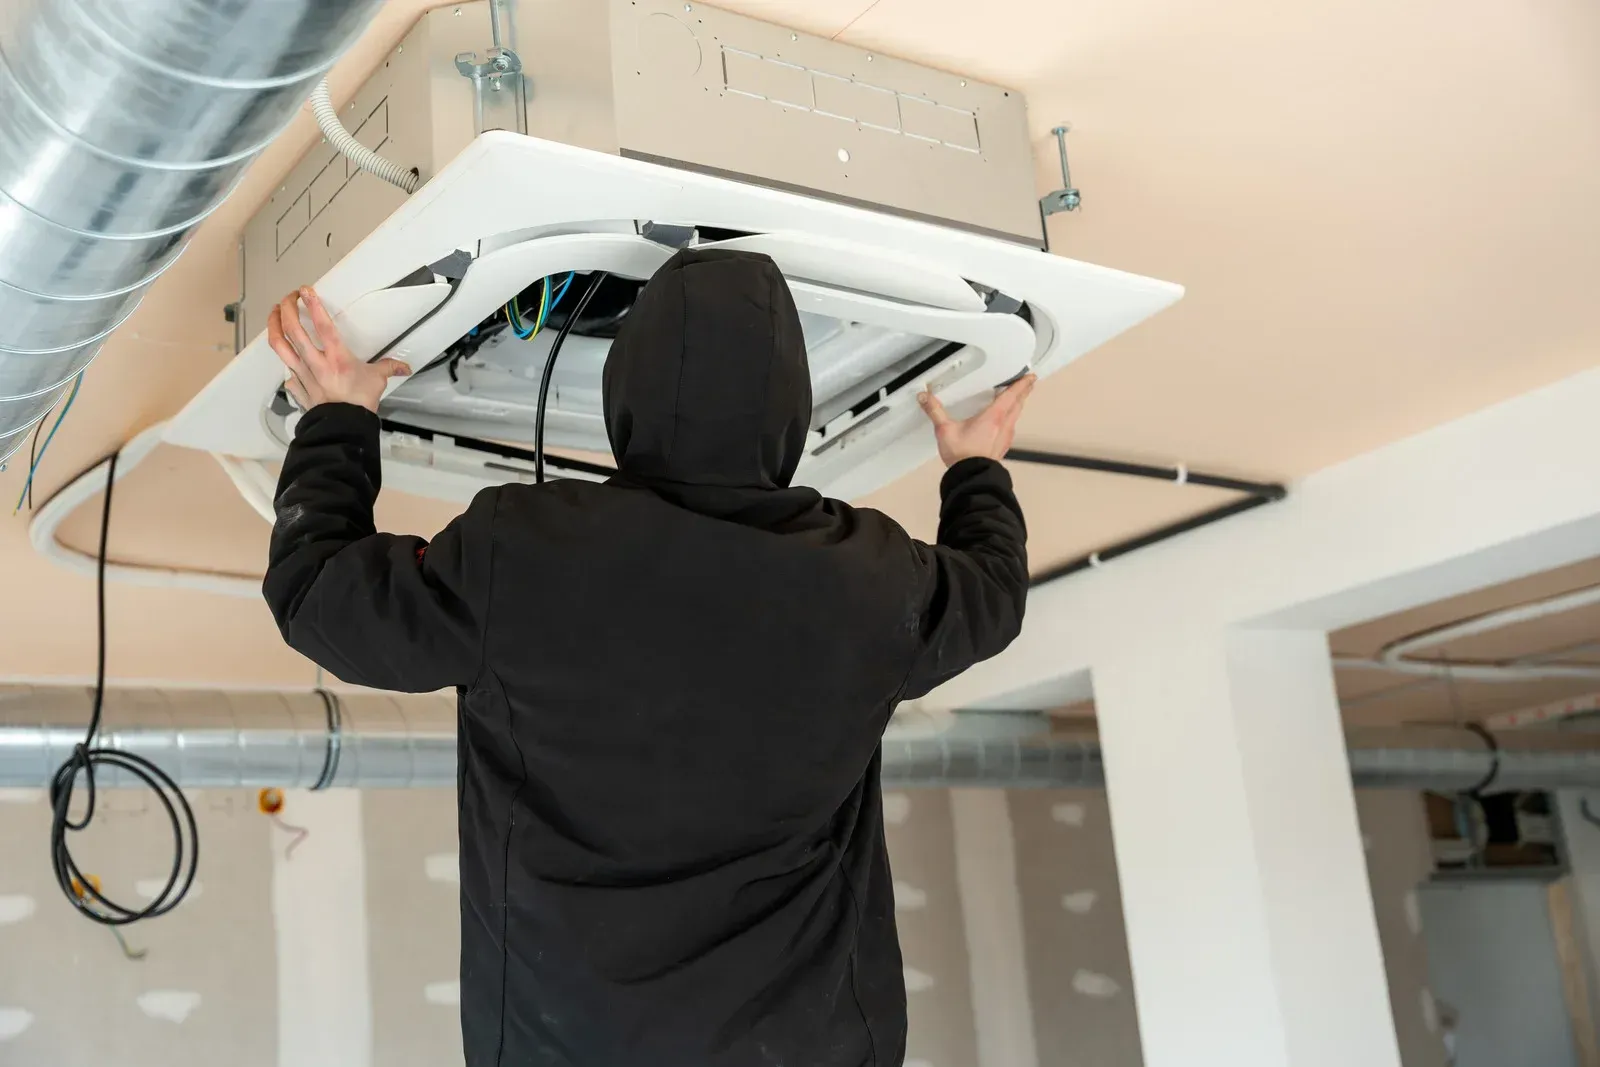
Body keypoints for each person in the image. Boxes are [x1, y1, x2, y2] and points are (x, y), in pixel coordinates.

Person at [263, 248, 1032, 1067]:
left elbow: (321, 597)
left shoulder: (520, 554)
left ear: (621, 391)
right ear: (793, 414)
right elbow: (992, 594)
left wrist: (340, 420)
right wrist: (975, 474)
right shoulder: (873, 584)